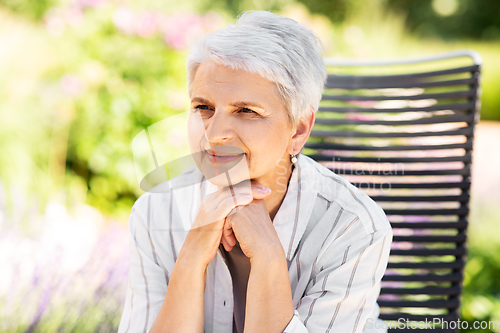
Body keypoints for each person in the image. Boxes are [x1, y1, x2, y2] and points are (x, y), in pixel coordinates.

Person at [118, 10, 392, 333]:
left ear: (299, 130)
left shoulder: (351, 228)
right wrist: (191, 257)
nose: (214, 133)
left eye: (246, 111)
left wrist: (268, 258)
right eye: (203, 107)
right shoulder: (155, 213)